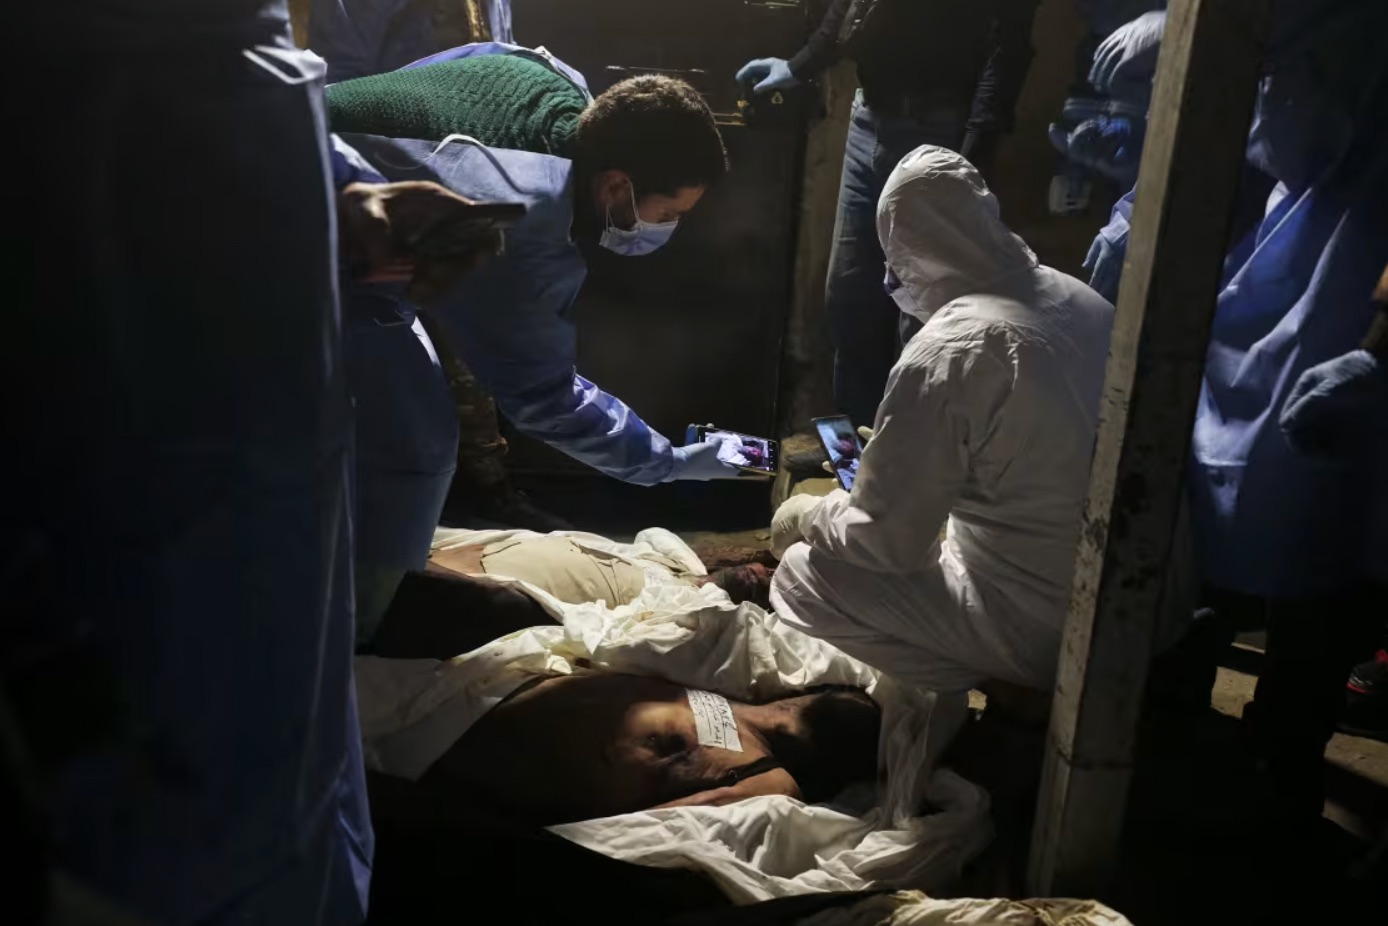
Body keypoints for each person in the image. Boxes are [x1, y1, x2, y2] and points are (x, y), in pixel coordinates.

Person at [330, 49, 744, 643]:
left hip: (314, 181)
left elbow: (469, 57)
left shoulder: (555, 84)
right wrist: (664, 463)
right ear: (617, 186)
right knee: (412, 442)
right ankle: (349, 632)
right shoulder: (522, 225)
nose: (668, 227)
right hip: (278, 232)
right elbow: (541, 396)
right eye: (667, 211)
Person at [768, 147, 1117, 693]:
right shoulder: (1081, 297)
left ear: (906, 248)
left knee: (800, 576)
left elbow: (890, 545)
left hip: (1051, 630)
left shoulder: (951, 347)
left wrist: (809, 514)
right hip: (1135, 612)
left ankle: (1008, 691)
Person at [736, 0, 1040, 430]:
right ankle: (858, 464)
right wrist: (801, 64)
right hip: (869, 119)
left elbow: (1009, 45)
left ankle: (903, 468)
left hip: (941, 132)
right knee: (849, 303)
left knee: (918, 321)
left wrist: (969, 158)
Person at [382, 672, 881, 827]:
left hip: (475, 767)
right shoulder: (737, 702)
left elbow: (651, 828)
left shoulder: (766, 774)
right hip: (468, 730)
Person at [428, 531, 775, 609]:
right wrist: (695, 568)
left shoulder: (684, 614)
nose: (763, 575)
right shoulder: (674, 565)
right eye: (772, 571)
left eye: (769, 591)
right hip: (490, 549)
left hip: (477, 583)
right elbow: (655, 533)